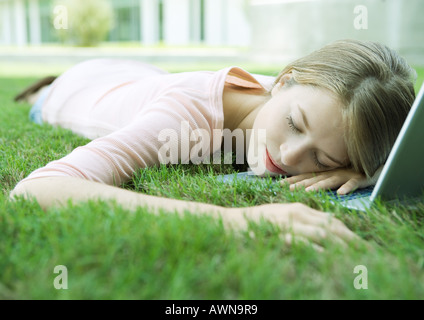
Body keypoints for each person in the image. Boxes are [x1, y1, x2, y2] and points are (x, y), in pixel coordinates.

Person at [10, 39, 416, 247]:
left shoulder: (309, 99)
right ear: (284, 80)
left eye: (322, 157)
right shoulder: (182, 116)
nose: (289, 156)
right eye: (293, 123)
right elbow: (34, 189)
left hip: (142, 76)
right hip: (76, 88)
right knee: (46, 95)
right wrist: (238, 220)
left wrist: (370, 168)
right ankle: (41, 87)